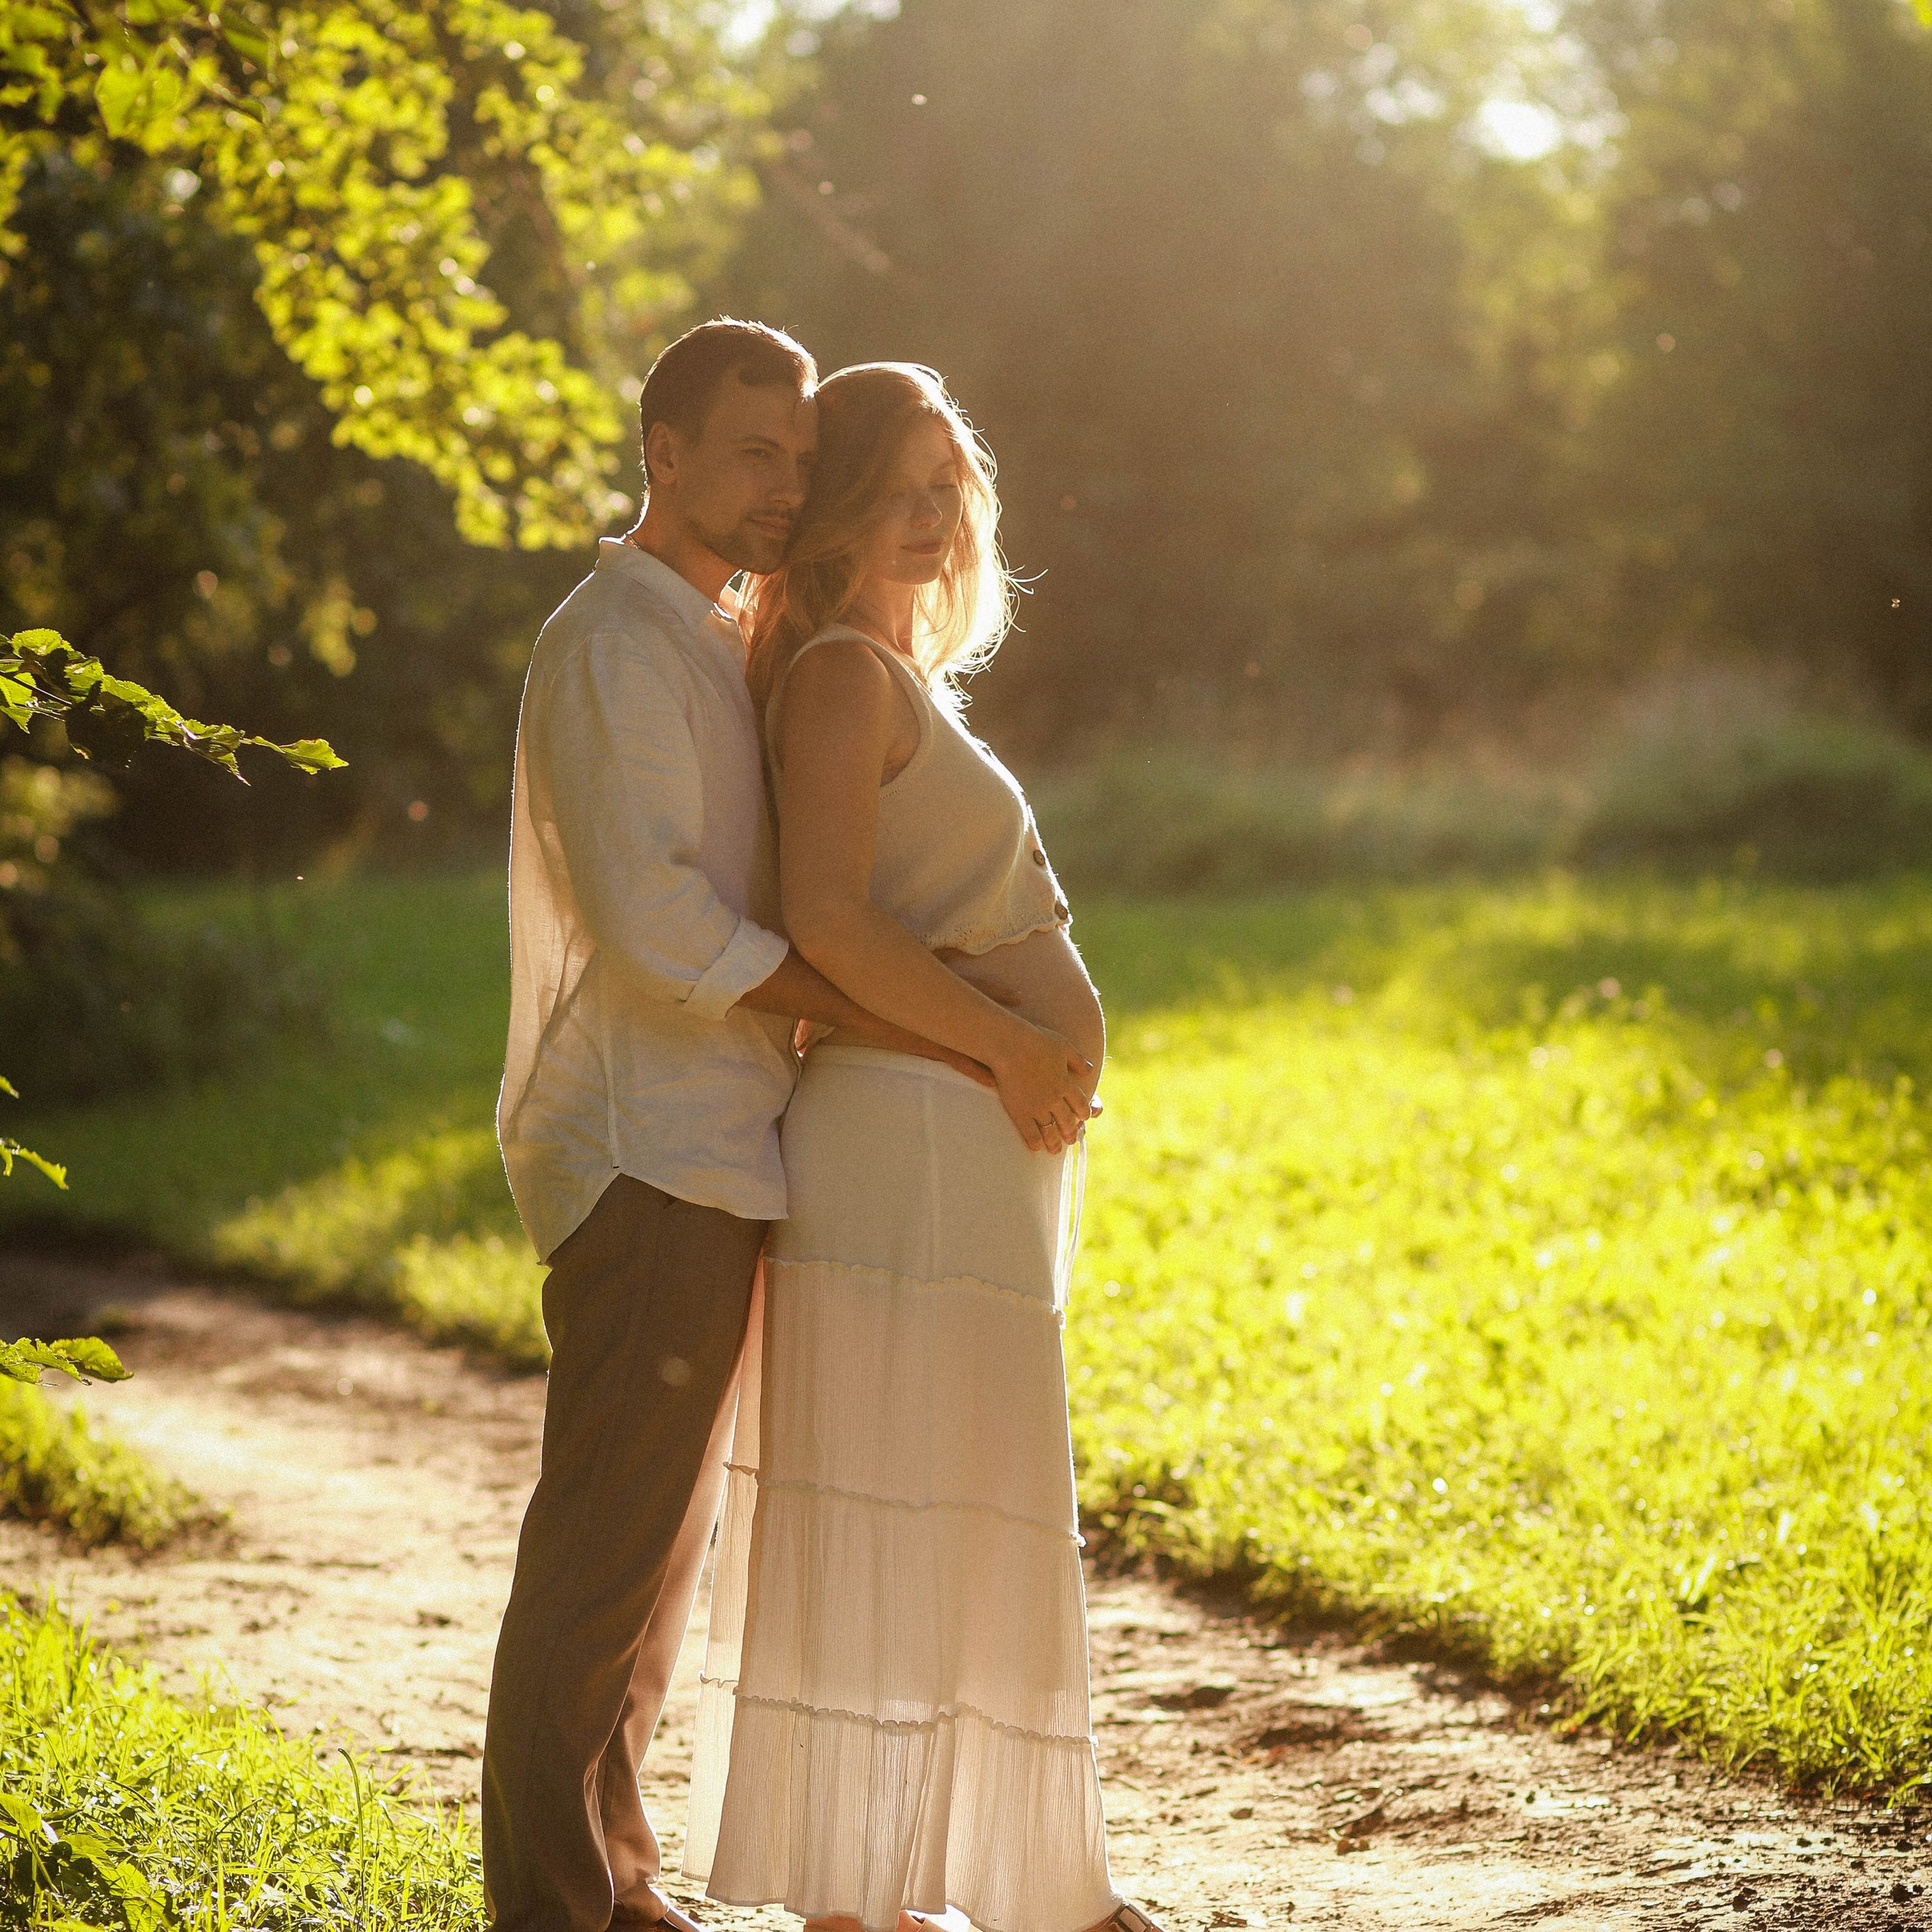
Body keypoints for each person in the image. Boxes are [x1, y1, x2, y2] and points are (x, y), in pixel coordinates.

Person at [483, 321, 1026, 1932]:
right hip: (643, 1146)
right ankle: (550, 1911)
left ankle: (618, 1885)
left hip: (722, 1143)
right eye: (752, 455)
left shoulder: (716, 633)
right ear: (663, 452)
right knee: (601, 1561)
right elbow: (659, 927)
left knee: (658, 1558)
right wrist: (894, 1013)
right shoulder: (615, 644)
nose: (787, 486)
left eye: (800, 458)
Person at [684, 364, 1155, 1932]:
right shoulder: (837, 675)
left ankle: (928, 1883)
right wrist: (1012, 1046)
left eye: (949, 478)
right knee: (899, 1496)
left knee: (951, 1500)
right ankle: (889, 1896)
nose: (931, 509)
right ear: (832, 509)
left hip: (954, 1144)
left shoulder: (891, 672)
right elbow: (825, 920)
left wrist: (1022, 1056)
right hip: (906, 1140)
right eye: (895, 483)